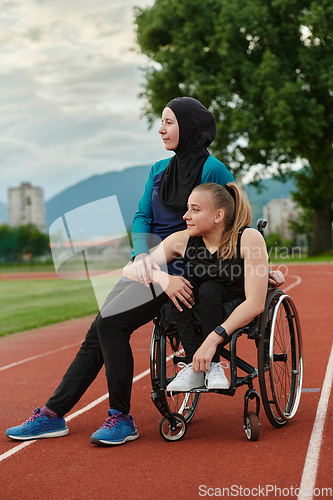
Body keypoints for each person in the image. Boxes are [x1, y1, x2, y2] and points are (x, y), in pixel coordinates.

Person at [5, 97, 280, 446]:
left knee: (109, 324)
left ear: (190, 127)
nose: (161, 129)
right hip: (153, 263)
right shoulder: (158, 170)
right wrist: (141, 258)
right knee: (100, 331)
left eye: (169, 122)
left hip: (189, 268)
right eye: (161, 122)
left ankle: (117, 417)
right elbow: (141, 217)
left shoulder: (214, 170)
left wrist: (252, 265)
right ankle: (54, 414)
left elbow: (231, 219)